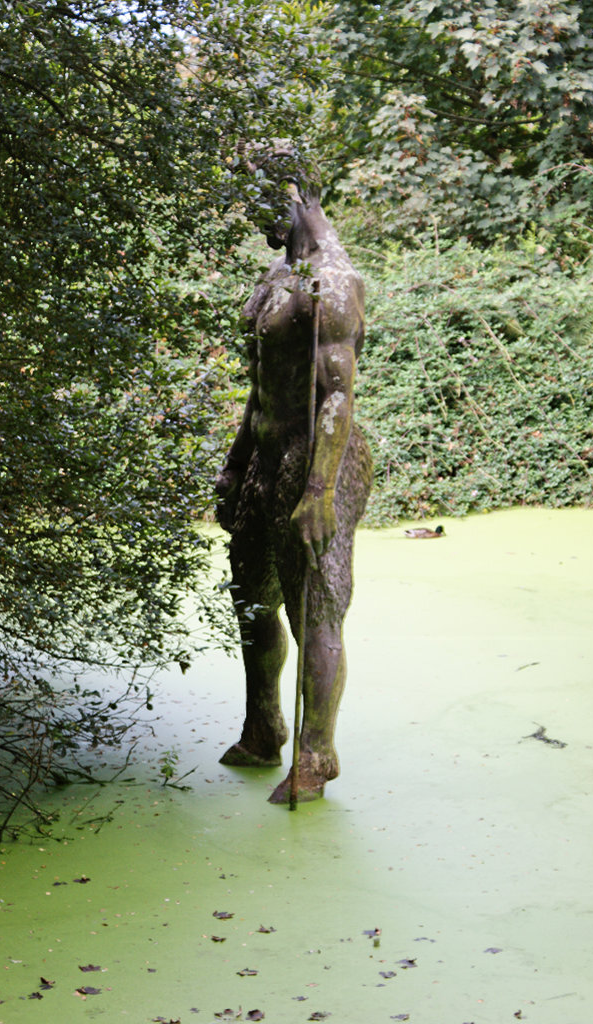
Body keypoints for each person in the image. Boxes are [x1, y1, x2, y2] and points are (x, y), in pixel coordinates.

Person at [215, 149, 372, 802]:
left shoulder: (333, 281)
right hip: (264, 457)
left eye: (259, 204)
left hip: (317, 461)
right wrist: (235, 464)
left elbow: (338, 394)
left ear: (290, 192)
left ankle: (316, 753)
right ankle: (264, 727)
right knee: (251, 598)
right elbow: (260, 387)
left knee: (316, 610)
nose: (253, 219)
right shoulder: (275, 277)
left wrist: (319, 491)